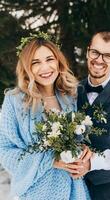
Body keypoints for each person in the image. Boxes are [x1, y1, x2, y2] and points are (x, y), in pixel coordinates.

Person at [0, 32, 91, 200]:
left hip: (74, 190)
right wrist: (49, 160)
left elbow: (83, 138)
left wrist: (85, 154)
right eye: (36, 62)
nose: (45, 68)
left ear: (58, 61)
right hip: (37, 192)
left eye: (49, 59)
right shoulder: (15, 101)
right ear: (27, 68)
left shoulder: (71, 96)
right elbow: (4, 151)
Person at [67, 30, 110, 200]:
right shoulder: (73, 91)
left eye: (108, 56)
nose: (99, 60)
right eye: (95, 52)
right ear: (88, 51)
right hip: (76, 186)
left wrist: (92, 163)